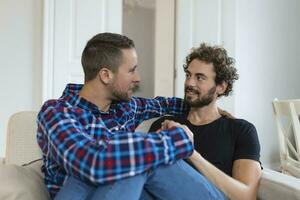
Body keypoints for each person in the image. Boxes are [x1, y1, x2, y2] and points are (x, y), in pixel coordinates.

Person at [37, 33, 227, 200]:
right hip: (80, 193)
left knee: (136, 156)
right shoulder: (57, 112)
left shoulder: (126, 107)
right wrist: (176, 139)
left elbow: (165, 104)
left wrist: (209, 106)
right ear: (105, 75)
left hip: (127, 192)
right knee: (136, 157)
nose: (138, 78)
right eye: (131, 70)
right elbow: (93, 163)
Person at [149, 43, 262, 200]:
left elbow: (246, 196)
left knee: (143, 162)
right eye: (188, 75)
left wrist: (190, 152)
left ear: (221, 87)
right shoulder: (165, 124)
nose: (189, 83)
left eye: (200, 78)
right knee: (136, 169)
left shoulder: (241, 130)